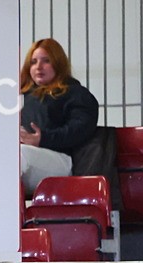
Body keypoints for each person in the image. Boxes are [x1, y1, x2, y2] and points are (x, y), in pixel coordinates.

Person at [19, 38, 101, 197]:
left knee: (18, 156)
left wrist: (43, 139)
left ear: (58, 63)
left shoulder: (76, 94)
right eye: (33, 62)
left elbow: (79, 130)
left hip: (61, 160)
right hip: (26, 160)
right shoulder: (20, 96)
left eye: (46, 61)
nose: (39, 67)